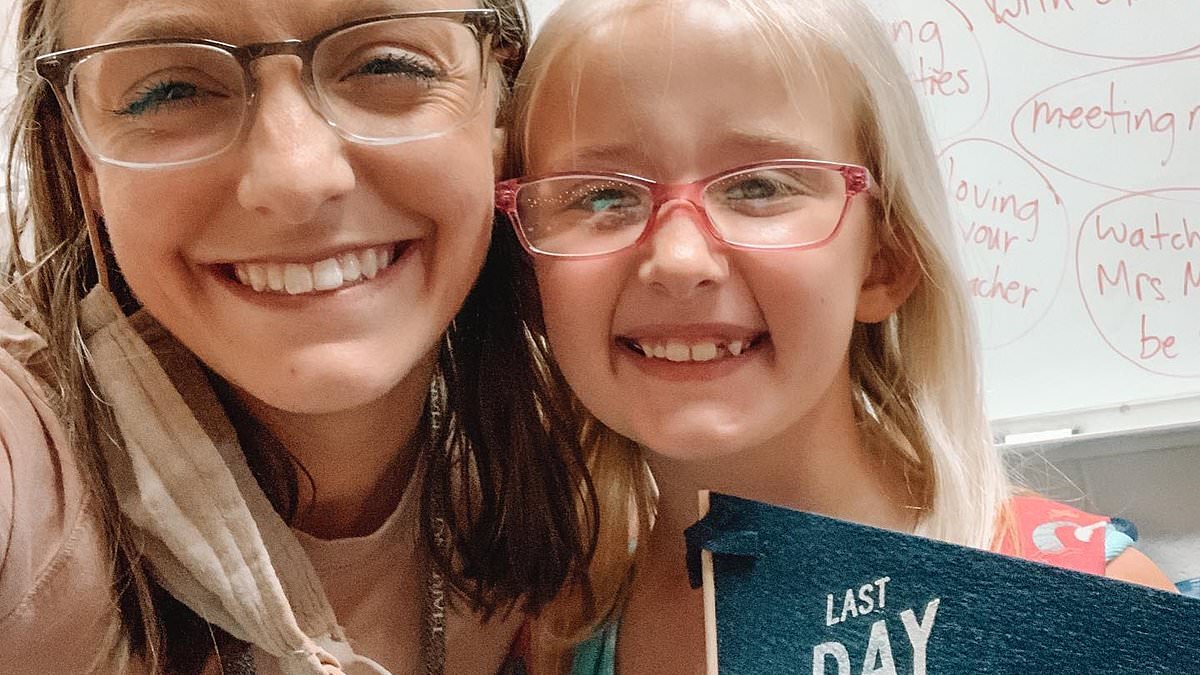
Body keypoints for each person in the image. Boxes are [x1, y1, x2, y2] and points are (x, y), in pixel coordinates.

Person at [492, 0, 1179, 672]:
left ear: (885, 259)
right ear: (529, 277)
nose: (678, 259)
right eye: (601, 196)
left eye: (760, 187)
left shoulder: (1088, 608)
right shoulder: (555, 635)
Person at [0, 1, 595, 673]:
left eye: (387, 65)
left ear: (499, 104)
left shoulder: (586, 457)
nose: (297, 178)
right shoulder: (27, 466)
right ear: (82, 157)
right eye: (171, 90)